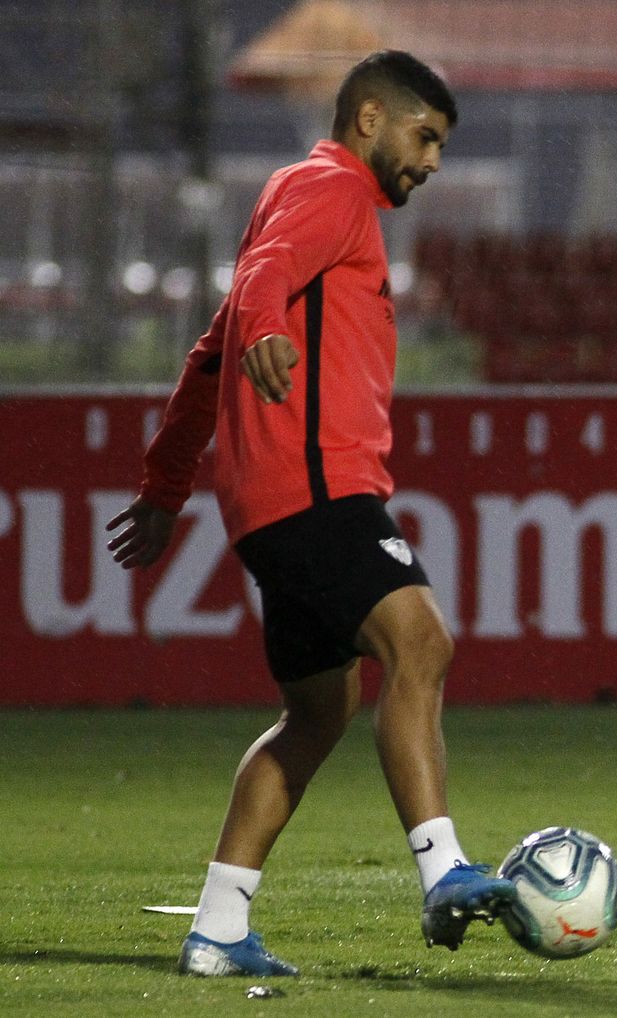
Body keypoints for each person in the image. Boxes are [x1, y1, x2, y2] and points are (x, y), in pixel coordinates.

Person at [105, 51, 515, 975]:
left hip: (270, 503)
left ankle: (217, 927)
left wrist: (168, 488)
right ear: (370, 119)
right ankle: (445, 869)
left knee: (317, 713)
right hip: (318, 486)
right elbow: (259, 288)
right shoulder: (330, 189)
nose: (434, 161)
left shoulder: (300, 198)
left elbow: (209, 353)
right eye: (426, 137)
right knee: (422, 643)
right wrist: (272, 327)